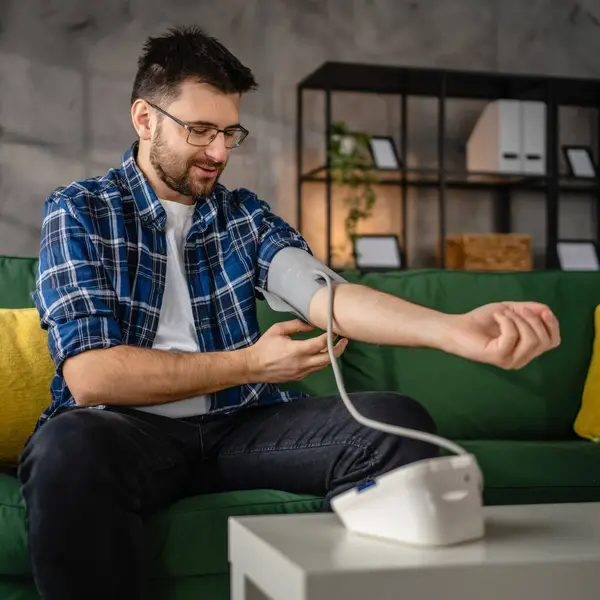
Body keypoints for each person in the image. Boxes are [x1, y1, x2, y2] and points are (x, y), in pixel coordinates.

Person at [18, 25, 560, 600]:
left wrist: (455, 331)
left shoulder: (242, 215)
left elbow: (329, 296)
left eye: (230, 132)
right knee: (66, 449)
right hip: (125, 432)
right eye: (200, 130)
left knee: (394, 424)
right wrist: (250, 364)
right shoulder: (80, 212)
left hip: (240, 429)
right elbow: (91, 376)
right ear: (145, 119)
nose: (220, 153)